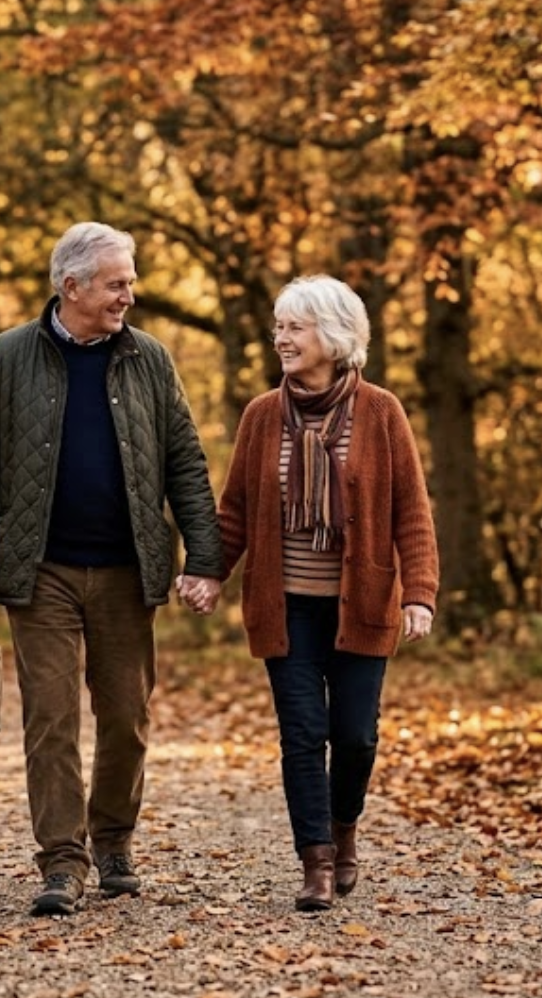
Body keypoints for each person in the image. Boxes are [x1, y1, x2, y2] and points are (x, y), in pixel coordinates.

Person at [0, 221, 224, 917]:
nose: (130, 295)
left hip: (129, 569)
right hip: (39, 571)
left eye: (129, 281)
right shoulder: (7, 357)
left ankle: (114, 841)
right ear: (71, 287)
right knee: (52, 718)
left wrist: (205, 557)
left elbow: (185, 462)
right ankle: (62, 862)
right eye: (117, 283)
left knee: (127, 717)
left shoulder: (150, 360)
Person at [206, 274, 440, 912]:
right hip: (286, 606)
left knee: (357, 735)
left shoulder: (381, 412)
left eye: (295, 328)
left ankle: (344, 832)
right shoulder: (260, 417)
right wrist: (207, 572)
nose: (281, 338)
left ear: (334, 338)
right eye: (279, 327)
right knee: (302, 734)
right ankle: (315, 861)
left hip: (361, 603)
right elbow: (235, 512)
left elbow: (410, 512)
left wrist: (418, 593)